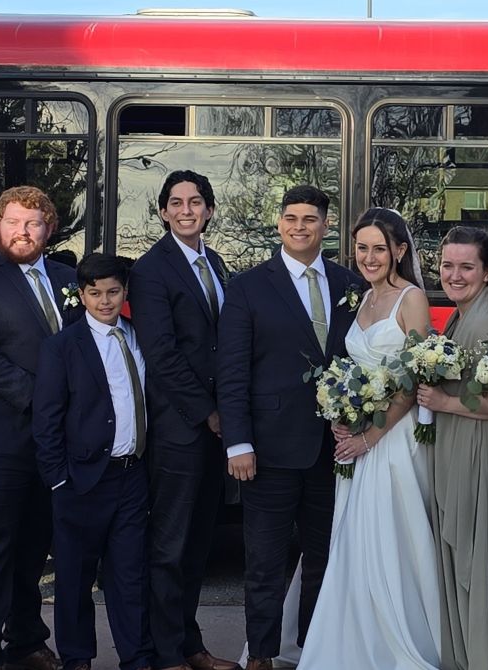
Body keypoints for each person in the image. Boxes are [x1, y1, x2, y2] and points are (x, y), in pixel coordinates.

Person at [216, 186, 361, 670]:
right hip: (268, 449)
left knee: (322, 558)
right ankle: (261, 654)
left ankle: (312, 652)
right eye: (291, 218)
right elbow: (233, 371)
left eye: (310, 219)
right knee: (265, 562)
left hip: (334, 448)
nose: (300, 226)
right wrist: (238, 441)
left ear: (325, 225)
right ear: (279, 224)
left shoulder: (349, 283)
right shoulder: (249, 286)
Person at [296, 207, 440, 670]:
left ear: (399, 251)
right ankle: (355, 641)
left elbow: (415, 377)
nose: (370, 257)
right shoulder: (361, 298)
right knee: (354, 540)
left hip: (393, 443)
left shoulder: (411, 298)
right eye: (362, 248)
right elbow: (354, 372)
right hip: (358, 441)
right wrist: (341, 414)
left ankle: (398, 643)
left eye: (380, 248)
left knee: (392, 541)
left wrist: (370, 437)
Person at [0, 185, 83, 670]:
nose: (23, 231)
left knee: (36, 545)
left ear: (49, 229)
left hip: (56, 441)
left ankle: (26, 640)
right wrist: (43, 397)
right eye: (13, 222)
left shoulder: (70, 279)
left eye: (33, 223)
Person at [128, 171, 235, 670]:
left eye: (196, 201)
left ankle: (191, 646)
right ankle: (165, 652)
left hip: (215, 428)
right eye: (176, 202)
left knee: (197, 544)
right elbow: (162, 354)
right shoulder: (152, 270)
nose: (187, 209)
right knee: (168, 546)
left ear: (210, 210)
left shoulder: (213, 262)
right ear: (164, 212)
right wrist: (209, 412)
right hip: (180, 427)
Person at [32, 252, 153, 670]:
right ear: (81, 295)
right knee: (74, 578)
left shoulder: (138, 335)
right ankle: (78, 658)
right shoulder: (63, 346)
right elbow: (46, 417)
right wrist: (58, 480)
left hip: (131, 474)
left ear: (125, 292)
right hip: (81, 480)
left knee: (129, 575)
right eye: (95, 293)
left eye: (113, 292)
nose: (105, 301)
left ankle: (136, 657)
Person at [416, 227, 488, 670]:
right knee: (459, 555)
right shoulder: (460, 317)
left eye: (466, 267)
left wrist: (444, 402)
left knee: (476, 559)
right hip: (459, 443)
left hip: (482, 449)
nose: (454, 275)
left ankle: (482, 657)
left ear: (487, 271)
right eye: (447, 265)